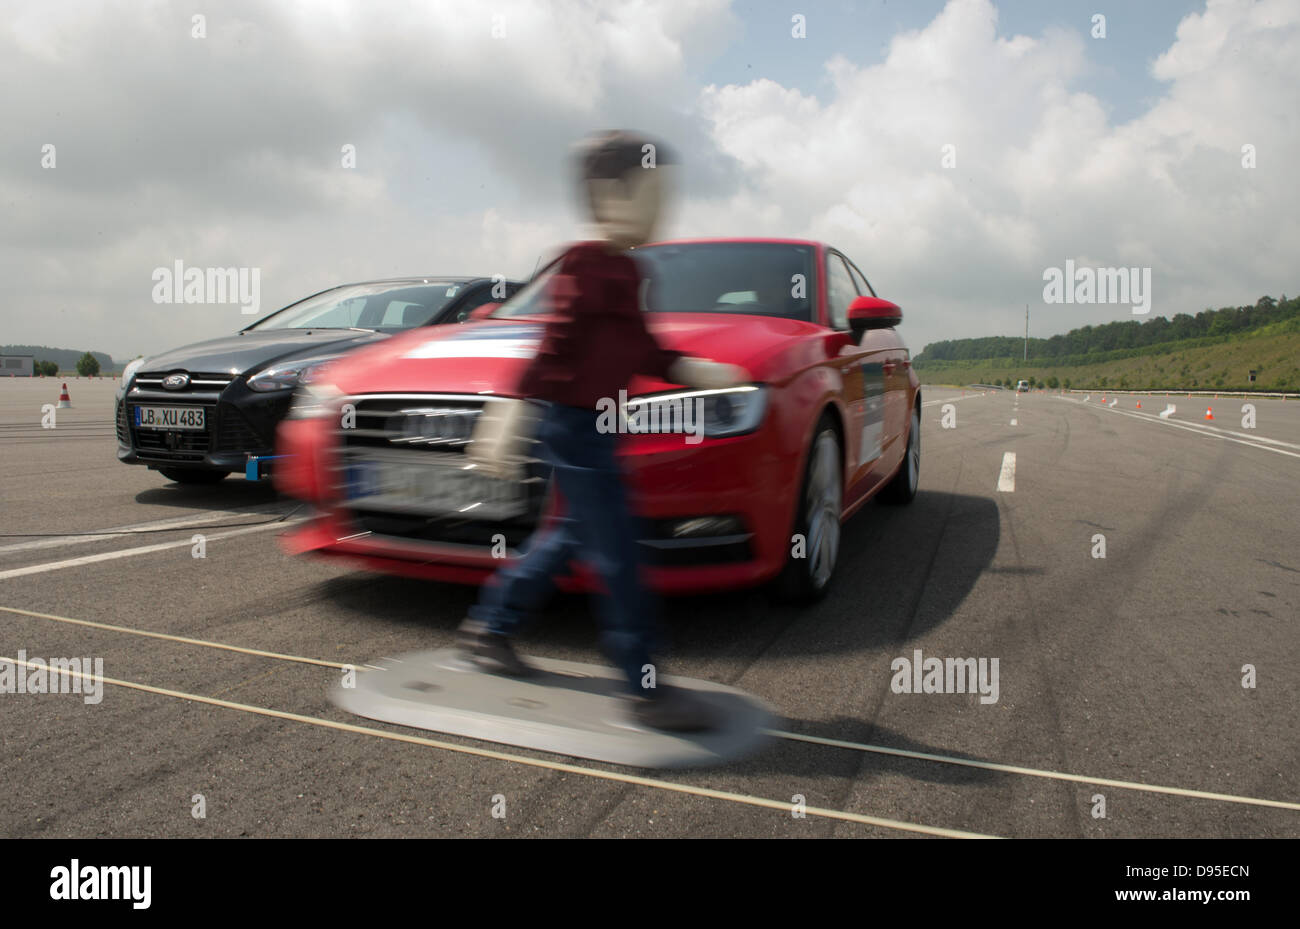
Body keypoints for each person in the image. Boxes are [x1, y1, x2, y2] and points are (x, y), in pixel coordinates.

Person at [457, 130, 745, 732]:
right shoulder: (583, 265)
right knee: (618, 548)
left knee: (565, 539)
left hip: (601, 427)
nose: (664, 209)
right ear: (608, 196)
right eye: (653, 195)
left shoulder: (631, 269)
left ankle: (489, 629)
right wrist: (511, 411)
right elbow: (553, 345)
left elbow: (639, 346)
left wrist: (692, 368)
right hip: (571, 426)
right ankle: (643, 686)